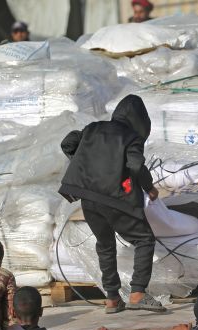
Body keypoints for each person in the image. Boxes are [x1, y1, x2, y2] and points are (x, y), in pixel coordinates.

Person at [59, 94, 165, 313]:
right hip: (115, 198)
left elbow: (67, 142)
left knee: (105, 245)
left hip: (88, 197)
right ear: (140, 120)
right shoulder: (131, 137)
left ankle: (112, 299)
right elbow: (136, 165)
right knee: (144, 239)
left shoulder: (93, 128)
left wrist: (81, 162)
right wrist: (144, 186)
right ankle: (137, 293)